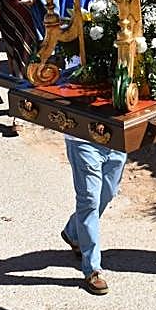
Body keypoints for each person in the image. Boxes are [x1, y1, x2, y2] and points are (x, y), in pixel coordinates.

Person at [61, 126, 127, 295]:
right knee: (89, 201)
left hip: (116, 137)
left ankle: (73, 232)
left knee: (108, 193)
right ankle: (92, 269)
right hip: (82, 137)